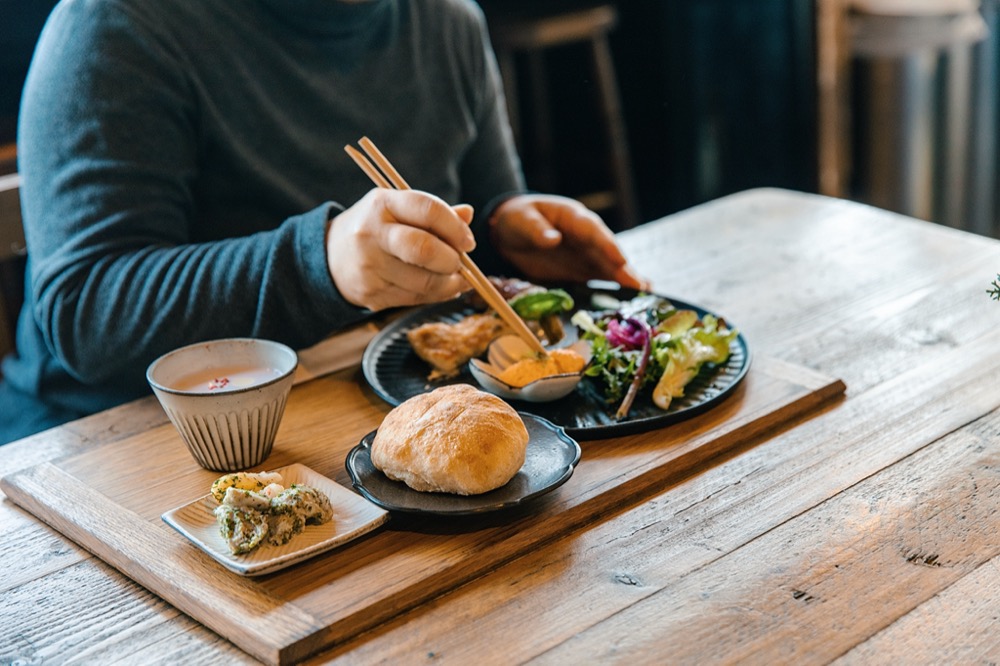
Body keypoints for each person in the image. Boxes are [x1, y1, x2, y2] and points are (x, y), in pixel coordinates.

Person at [0, 0, 646, 445]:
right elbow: (88, 315)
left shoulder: (446, 19)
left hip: (370, 418)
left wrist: (511, 231)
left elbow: (483, 201)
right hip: (117, 445)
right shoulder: (120, 25)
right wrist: (322, 264)